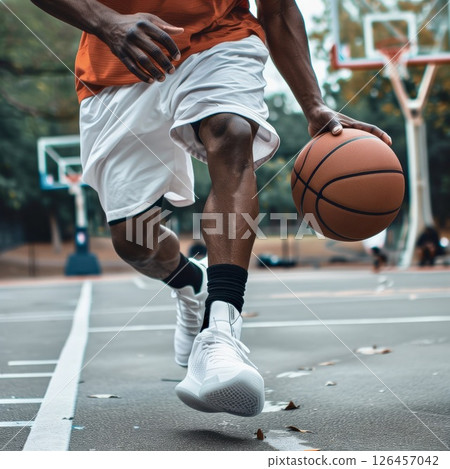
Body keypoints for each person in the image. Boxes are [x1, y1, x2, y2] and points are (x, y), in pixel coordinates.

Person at [31, 0, 392, 417]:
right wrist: (105, 22)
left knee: (231, 131)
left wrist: (312, 104)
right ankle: (190, 282)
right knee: (132, 239)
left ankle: (220, 332)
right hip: (118, 59)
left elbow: (276, 9)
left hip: (220, 39)